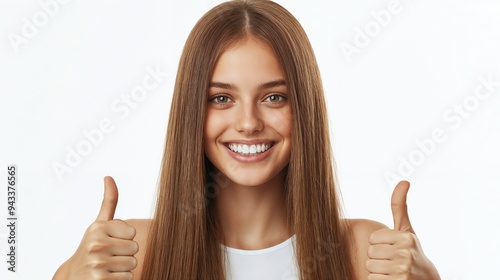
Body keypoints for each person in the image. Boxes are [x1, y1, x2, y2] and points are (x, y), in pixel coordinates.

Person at [53, 0, 441, 279]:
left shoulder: (369, 253)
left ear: (304, 107)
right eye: (222, 98)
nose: (249, 123)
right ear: (192, 112)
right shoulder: (128, 254)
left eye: (274, 97)